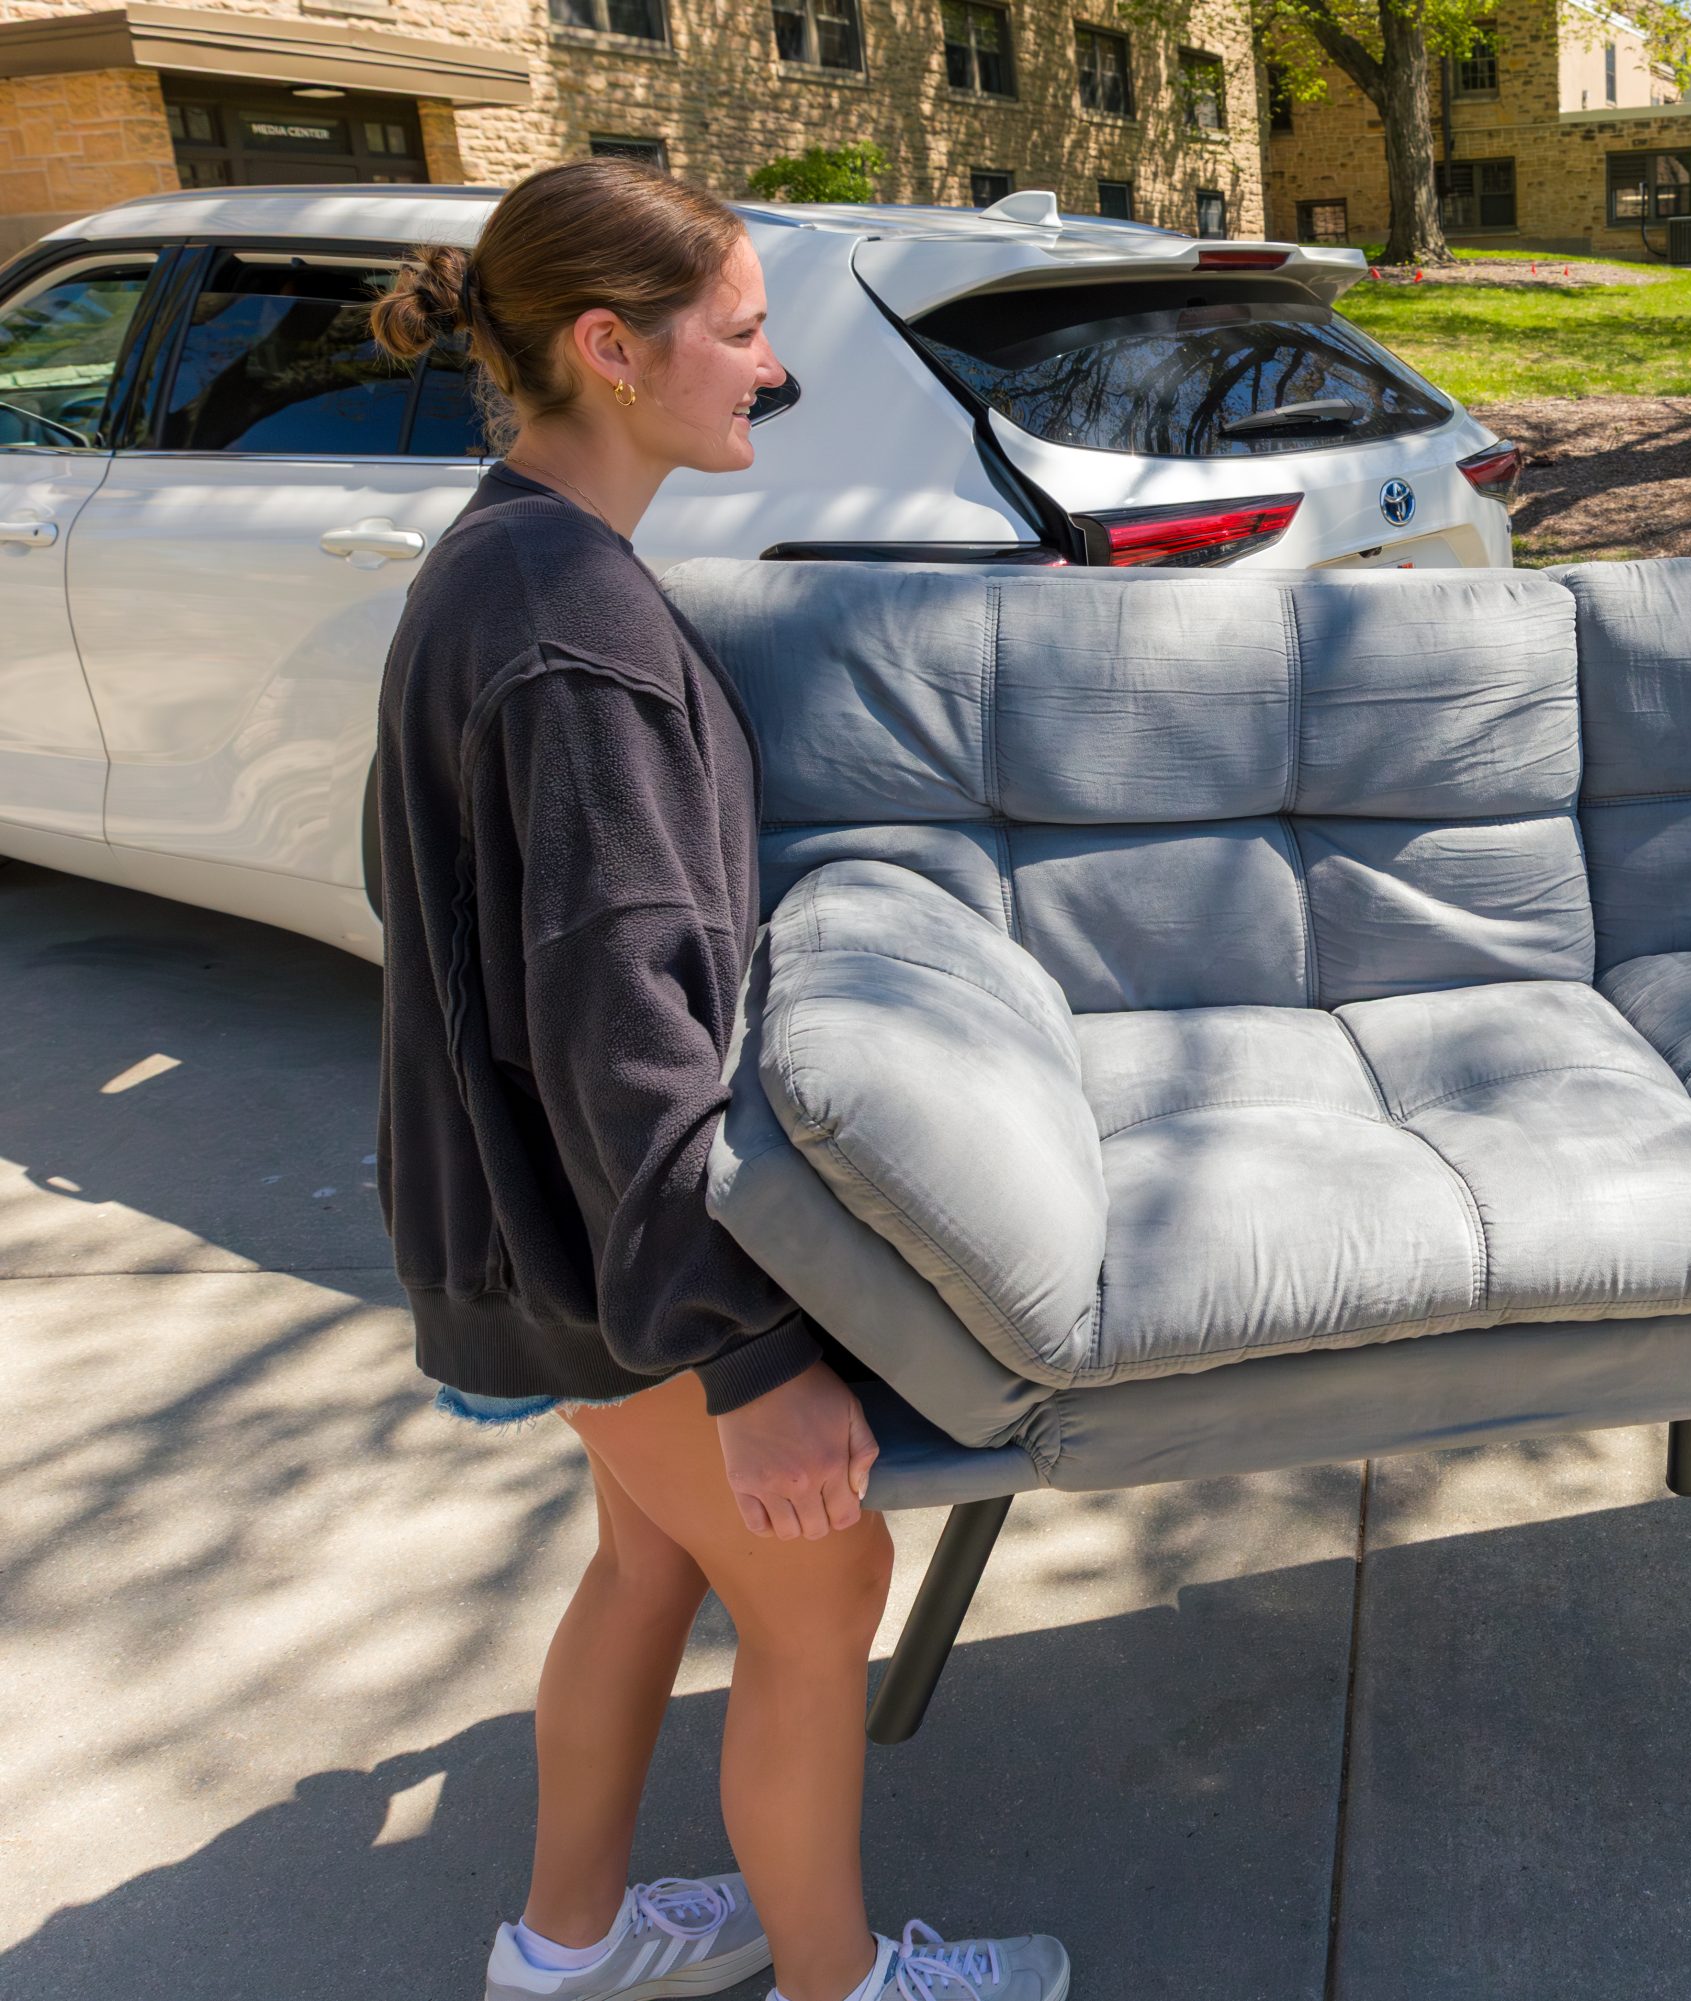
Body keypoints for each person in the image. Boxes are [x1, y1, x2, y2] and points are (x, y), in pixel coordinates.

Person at [368, 159, 1071, 2001]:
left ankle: (568, 1944)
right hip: (605, 1250)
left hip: (525, 1228)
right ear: (610, 347)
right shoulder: (569, 636)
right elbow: (622, 1029)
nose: (772, 373)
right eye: (744, 333)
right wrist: (749, 1359)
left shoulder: (515, 552)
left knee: (645, 1569)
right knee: (822, 1592)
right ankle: (841, 1988)